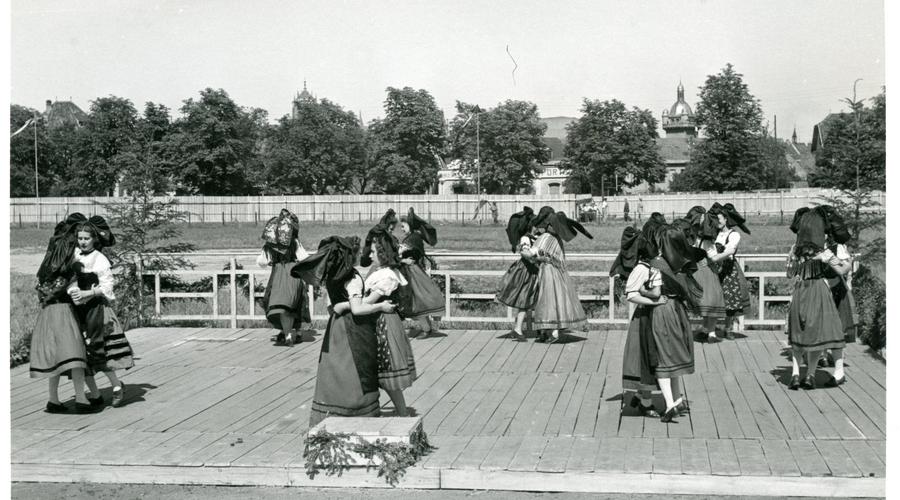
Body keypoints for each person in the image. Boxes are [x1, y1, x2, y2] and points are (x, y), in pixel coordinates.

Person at [292, 236, 396, 426]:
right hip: (352, 328)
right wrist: (380, 307)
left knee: (335, 369)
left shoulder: (333, 276)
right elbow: (357, 309)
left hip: (336, 327)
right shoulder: (352, 277)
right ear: (352, 256)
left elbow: (334, 307)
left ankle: (333, 411)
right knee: (355, 368)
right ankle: (357, 412)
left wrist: (342, 304)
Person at [29, 213, 97, 414]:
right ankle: (81, 398)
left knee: (56, 359)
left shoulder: (44, 272)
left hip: (47, 314)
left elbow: (40, 292)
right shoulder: (70, 270)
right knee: (75, 356)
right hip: (64, 313)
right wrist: (89, 293)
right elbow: (74, 295)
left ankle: (53, 399)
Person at [68, 216, 134, 408]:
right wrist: (73, 292)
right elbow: (70, 278)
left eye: (86, 238)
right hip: (78, 309)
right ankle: (95, 394)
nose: (82, 242)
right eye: (80, 238)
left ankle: (116, 386)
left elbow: (107, 287)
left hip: (97, 309)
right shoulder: (75, 255)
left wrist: (88, 292)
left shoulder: (99, 258)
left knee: (100, 351)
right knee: (82, 353)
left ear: (94, 239)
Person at [785, 207, 849, 390]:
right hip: (819, 290)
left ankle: (795, 374)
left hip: (800, 290)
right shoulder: (824, 252)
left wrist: (793, 261)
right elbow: (843, 270)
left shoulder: (795, 250)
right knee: (816, 333)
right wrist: (835, 260)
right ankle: (810, 376)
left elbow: (789, 273)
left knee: (798, 331)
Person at [359, 224, 416, 416]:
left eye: (374, 252)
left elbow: (368, 301)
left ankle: (402, 412)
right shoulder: (381, 272)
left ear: (383, 253)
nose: (370, 255)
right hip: (378, 321)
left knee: (386, 372)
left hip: (384, 324)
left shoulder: (388, 275)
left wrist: (348, 301)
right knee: (378, 371)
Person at [612, 225, 662, 418]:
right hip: (643, 318)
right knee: (644, 359)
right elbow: (631, 294)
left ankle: (641, 396)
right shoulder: (642, 268)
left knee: (651, 357)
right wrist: (654, 301)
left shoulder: (651, 266)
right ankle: (646, 403)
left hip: (651, 316)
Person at [531, 206, 593, 343]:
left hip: (548, 272)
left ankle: (552, 333)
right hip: (557, 273)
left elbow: (533, 253)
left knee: (548, 301)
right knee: (554, 301)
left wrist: (527, 250)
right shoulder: (557, 238)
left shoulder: (546, 237)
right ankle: (547, 332)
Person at [258, 209, 310, 346]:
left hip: (277, 275)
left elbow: (261, 262)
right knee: (298, 302)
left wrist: (271, 257)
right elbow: (304, 258)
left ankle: (285, 333)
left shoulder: (269, 245)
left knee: (277, 302)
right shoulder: (295, 242)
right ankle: (296, 333)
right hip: (293, 274)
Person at [398, 208, 445, 339]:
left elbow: (397, 254)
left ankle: (426, 329)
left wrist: (399, 259)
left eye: (403, 226)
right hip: (413, 271)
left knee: (418, 301)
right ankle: (427, 328)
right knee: (417, 301)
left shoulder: (412, 239)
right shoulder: (413, 237)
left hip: (413, 273)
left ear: (410, 225)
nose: (401, 228)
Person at [683, 207, 727, 342]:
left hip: (694, 270)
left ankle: (704, 329)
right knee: (712, 300)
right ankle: (711, 333)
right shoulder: (706, 240)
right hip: (706, 270)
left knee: (702, 301)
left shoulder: (690, 238)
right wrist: (724, 256)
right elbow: (713, 257)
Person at [495, 206, 539, 342]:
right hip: (527, 271)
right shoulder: (526, 238)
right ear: (532, 225)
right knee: (525, 300)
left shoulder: (535, 237)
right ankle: (518, 328)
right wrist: (536, 258)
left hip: (534, 270)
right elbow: (525, 254)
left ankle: (532, 328)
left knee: (533, 300)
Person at [708, 203, 751, 340]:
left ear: (726, 219)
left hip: (728, 268)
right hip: (714, 268)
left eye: (719, 219)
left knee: (731, 299)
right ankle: (710, 329)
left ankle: (728, 328)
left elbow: (730, 250)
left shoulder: (734, 235)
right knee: (714, 298)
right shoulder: (715, 234)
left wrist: (715, 258)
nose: (717, 222)